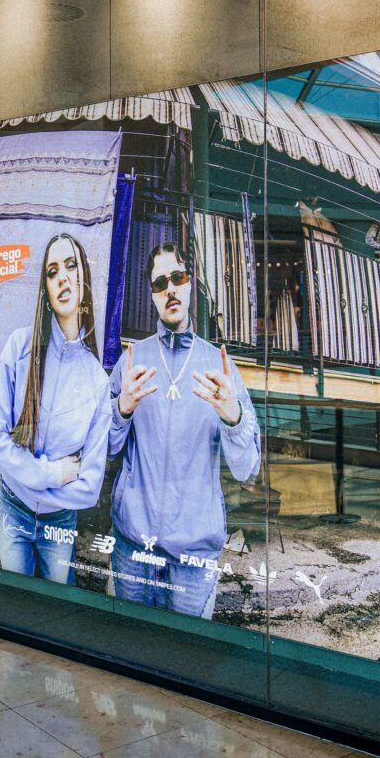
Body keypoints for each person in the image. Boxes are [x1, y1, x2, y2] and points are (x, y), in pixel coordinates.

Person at [109, 241, 261, 617]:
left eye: (178, 277)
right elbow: (104, 450)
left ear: (190, 283)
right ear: (152, 294)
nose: (171, 289)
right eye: (160, 283)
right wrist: (121, 410)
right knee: (127, 645)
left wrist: (233, 418)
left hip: (194, 555)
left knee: (189, 650)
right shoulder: (132, 361)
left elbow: (247, 469)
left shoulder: (219, 367)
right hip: (134, 546)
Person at [0, 233, 110, 583]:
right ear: (46, 288)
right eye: (52, 272)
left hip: (60, 521)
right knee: (17, 599)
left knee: (58, 603)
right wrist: (52, 474)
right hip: (13, 508)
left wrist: (24, 475)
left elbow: (90, 486)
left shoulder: (97, 381)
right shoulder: (19, 347)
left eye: (71, 266)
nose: (63, 277)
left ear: (84, 276)